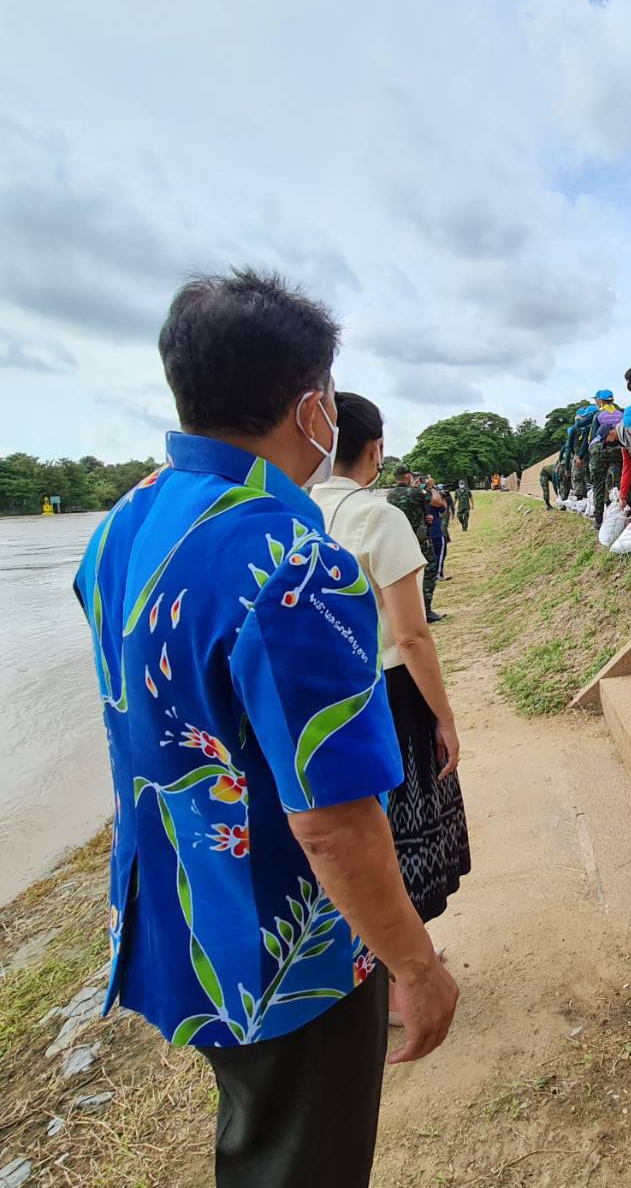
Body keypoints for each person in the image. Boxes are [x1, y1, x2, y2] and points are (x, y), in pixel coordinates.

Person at [73, 269, 457, 1188]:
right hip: (284, 953)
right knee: (299, 1163)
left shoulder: (123, 523)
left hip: (175, 910)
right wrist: (417, 963)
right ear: (311, 407)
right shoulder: (292, 562)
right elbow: (330, 819)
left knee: (257, 1136)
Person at [312, 396, 470, 965]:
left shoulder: (296, 512)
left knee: (351, 834)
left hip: (324, 700)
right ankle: (404, 971)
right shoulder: (377, 517)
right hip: (389, 694)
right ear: (375, 449)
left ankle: (368, 960)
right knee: (404, 830)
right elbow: (410, 637)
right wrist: (445, 718)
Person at [388, 465, 443, 623]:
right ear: (407, 476)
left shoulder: (390, 495)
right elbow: (437, 502)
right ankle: (425, 610)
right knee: (429, 571)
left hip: (399, 540)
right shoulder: (417, 493)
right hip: (419, 540)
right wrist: (431, 486)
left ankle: (407, 612)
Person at [588, 391, 624, 527]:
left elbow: (594, 437)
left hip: (600, 451)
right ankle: (625, 513)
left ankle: (598, 521)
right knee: (623, 481)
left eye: (597, 400)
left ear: (601, 401)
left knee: (599, 484)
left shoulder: (598, 415)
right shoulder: (621, 413)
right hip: (619, 450)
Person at [571, 404, 597, 499]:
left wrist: (579, 456)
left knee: (584, 476)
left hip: (591, 454)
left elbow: (584, 442)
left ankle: (587, 498)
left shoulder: (583, 427)